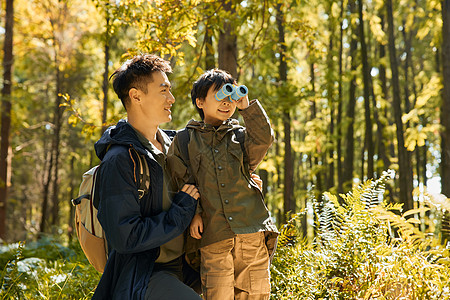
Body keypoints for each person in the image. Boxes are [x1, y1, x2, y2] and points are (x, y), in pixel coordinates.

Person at [91, 54, 202, 300]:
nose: (171, 99)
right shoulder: (120, 160)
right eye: (163, 91)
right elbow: (125, 237)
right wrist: (181, 212)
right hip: (144, 274)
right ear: (136, 96)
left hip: (187, 266)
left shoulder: (177, 146)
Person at [166, 69, 279, 300]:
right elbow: (181, 181)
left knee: (256, 293)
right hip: (213, 234)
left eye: (231, 96)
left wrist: (247, 107)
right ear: (200, 101)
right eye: (219, 95)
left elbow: (264, 139)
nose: (227, 102)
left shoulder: (240, 137)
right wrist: (194, 214)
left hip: (250, 230)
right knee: (218, 295)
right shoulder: (185, 140)